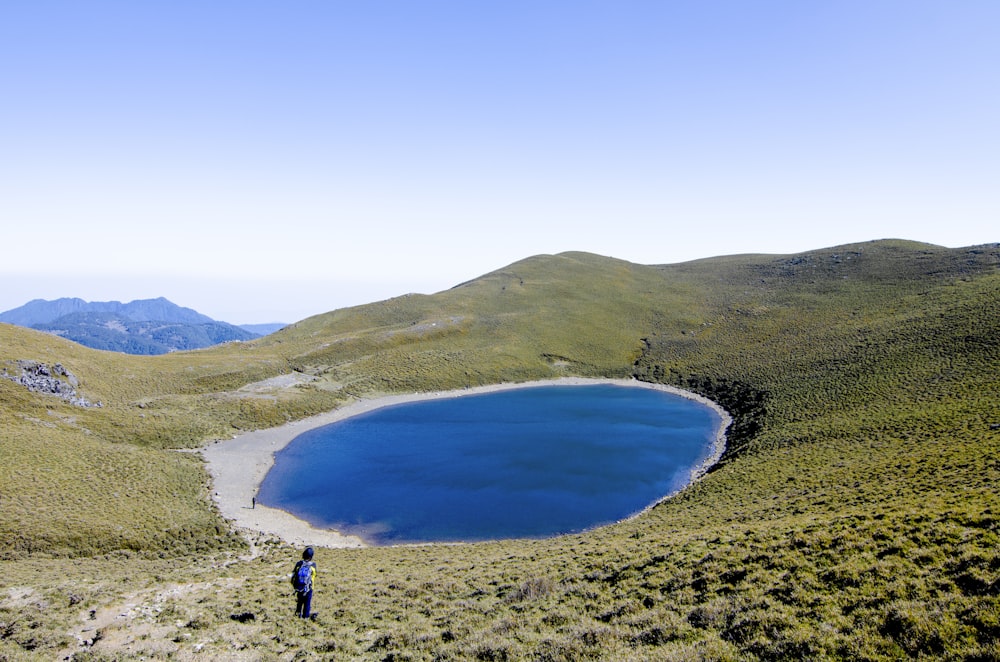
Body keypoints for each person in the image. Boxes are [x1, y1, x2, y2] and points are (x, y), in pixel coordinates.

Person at [292, 547, 317, 619]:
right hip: (309, 588)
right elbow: (314, 575)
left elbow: (294, 574)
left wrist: (295, 585)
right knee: (307, 603)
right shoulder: (313, 565)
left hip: (299, 587)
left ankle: (297, 615)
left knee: (299, 602)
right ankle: (305, 617)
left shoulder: (299, 564)